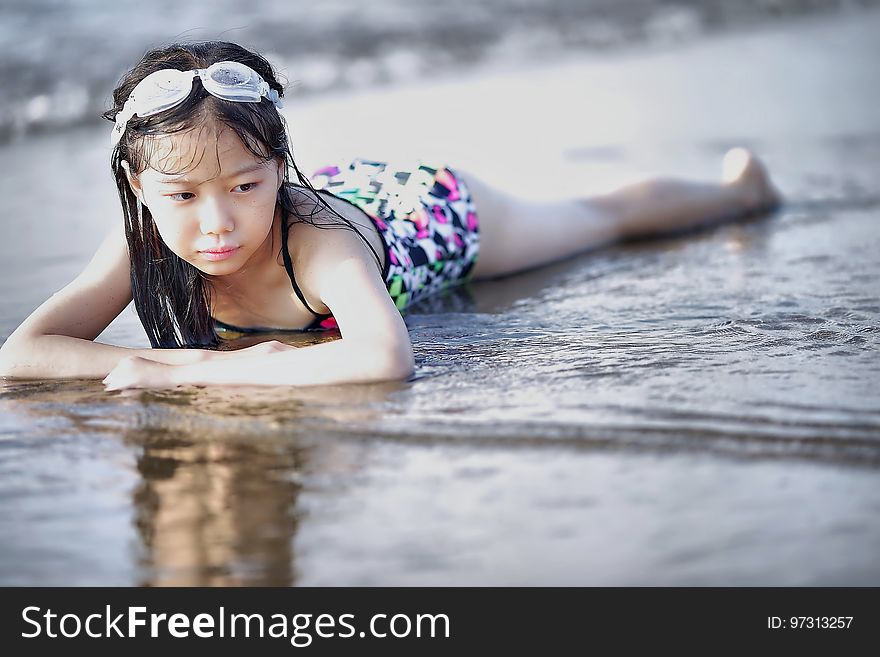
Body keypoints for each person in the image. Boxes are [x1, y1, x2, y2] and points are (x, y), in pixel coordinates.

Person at [0, 41, 780, 390]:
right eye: (182, 197)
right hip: (344, 191)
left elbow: (383, 359)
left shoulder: (318, 244)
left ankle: (743, 193)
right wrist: (185, 364)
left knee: (594, 218)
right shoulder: (143, 240)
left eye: (243, 186)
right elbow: (21, 356)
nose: (217, 224)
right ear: (140, 190)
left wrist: (225, 369)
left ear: (276, 169)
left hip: (421, 214)